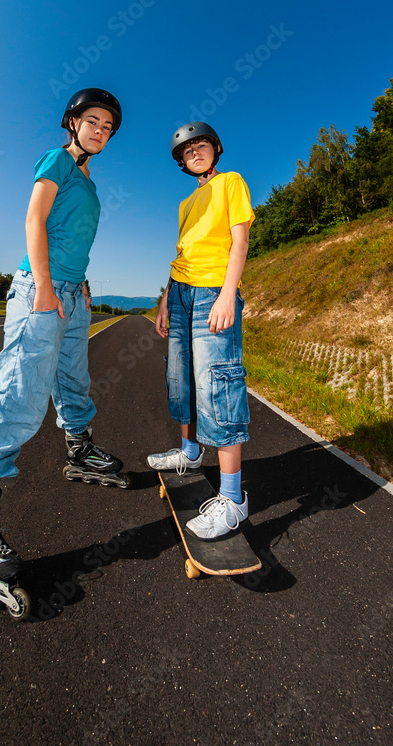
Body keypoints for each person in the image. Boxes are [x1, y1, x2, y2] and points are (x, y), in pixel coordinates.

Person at [0, 88, 128, 583]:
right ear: (72, 122)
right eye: (93, 121)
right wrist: (46, 289)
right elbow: (35, 219)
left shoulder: (89, 182)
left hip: (72, 294)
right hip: (41, 289)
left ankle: (80, 449)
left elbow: (74, 238)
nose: (100, 131)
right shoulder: (58, 161)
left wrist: (81, 287)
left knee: (72, 379)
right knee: (21, 392)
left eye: (108, 127)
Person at [147, 122, 255, 539]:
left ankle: (233, 499)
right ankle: (190, 453)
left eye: (200, 144)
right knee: (181, 379)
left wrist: (229, 293)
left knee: (218, 383)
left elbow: (239, 241)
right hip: (181, 294)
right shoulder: (185, 203)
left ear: (215, 149)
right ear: (181, 160)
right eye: (187, 149)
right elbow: (181, 256)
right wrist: (164, 301)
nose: (194, 151)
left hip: (214, 290)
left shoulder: (231, 182)